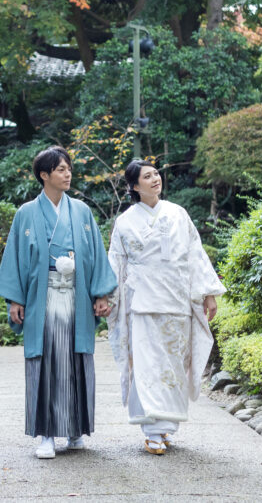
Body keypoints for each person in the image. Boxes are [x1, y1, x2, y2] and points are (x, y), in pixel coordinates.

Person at [0, 146, 117, 459]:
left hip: (76, 294)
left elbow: (96, 256)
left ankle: (75, 431)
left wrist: (101, 293)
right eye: (60, 169)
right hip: (42, 297)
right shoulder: (26, 214)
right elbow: (16, 260)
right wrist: (14, 300)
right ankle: (46, 434)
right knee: (45, 363)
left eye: (68, 168)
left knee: (77, 362)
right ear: (44, 175)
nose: (67, 174)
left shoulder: (83, 213)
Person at [107, 159, 226, 455]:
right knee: (147, 365)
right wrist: (107, 297)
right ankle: (151, 429)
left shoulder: (177, 213)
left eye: (156, 174)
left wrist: (208, 293)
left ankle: (166, 426)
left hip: (176, 299)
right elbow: (116, 264)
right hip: (143, 301)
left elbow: (194, 254)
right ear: (135, 186)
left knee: (174, 366)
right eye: (147, 176)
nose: (155, 179)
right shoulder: (125, 222)